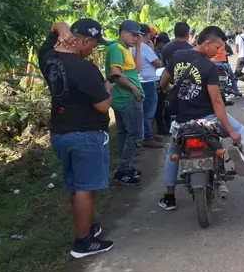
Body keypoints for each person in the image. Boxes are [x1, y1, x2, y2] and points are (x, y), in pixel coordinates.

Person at [38, 19, 114, 258]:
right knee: (85, 188)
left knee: (75, 184)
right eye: (93, 44)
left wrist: (60, 26)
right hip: (85, 135)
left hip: (61, 133)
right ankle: (82, 242)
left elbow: (54, 28)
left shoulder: (47, 57)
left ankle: (87, 226)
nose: (93, 49)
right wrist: (108, 89)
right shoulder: (85, 69)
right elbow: (103, 106)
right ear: (84, 41)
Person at [157, 25, 244, 211]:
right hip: (208, 120)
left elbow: (163, 83)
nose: (218, 53)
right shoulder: (209, 67)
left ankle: (169, 197)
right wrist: (231, 132)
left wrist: (171, 91)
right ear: (207, 43)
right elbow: (217, 102)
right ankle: (236, 150)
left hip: (181, 122)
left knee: (172, 154)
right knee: (241, 131)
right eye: (217, 48)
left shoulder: (177, 57)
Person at [105, 20, 144, 186]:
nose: (136, 38)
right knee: (135, 135)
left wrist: (139, 48)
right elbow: (115, 73)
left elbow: (137, 70)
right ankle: (124, 169)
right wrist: (133, 88)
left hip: (123, 99)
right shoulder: (116, 48)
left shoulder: (125, 49)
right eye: (133, 34)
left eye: (138, 35)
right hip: (127, 99)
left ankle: (125, 167)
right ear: (123, 33)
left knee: (124, 133)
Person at [131, 23, 163, 149]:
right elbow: (158, 63)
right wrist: (153, 49)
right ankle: (147, 137)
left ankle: (147, 134)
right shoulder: (144, 47)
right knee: (148, 112)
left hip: (139, 81)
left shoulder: (131, 47)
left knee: (143, 110)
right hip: (148, 82)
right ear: (146, 35)